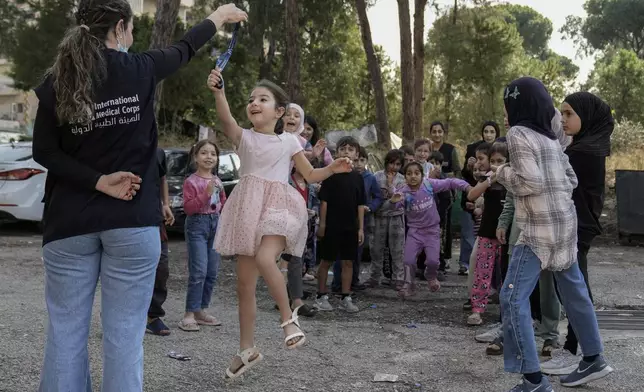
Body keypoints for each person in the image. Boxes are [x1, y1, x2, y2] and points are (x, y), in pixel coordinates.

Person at [32, 1, 247, 390]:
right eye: (131, 29)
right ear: (120, 27)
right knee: (125, 337)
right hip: (132, 223)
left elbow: (44, 153)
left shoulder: (56, 81)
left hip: (68, 224)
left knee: (65, 335)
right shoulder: (140, 68)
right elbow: (185, 47)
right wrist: (218, 17)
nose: (132, 37)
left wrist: (97, 180)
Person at [206, 71, 352, 378]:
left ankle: (289, 318)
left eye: (263, 99)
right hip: (247, 211)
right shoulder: (243, 137)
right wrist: (220, 93)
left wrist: (333, 169)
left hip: (278, 207)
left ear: (279, 112)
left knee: (264, 257)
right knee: (244, 286)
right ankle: (246, 350)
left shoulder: (290, 141)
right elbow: (226, 121)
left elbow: (310, 175)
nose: (254, 103)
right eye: (250, 100)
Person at [495, 77, 613, 391]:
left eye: (509, 106)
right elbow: (571, 179)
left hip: (537, 231)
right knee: (574, 292)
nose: (507, 114)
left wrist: (500, 172)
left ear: (518, 105)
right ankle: (594, 357)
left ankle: (533, 378)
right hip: (565, 226)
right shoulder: (551, 138)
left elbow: (527, 183)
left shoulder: (519, 134)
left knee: (512, 297)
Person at [540, 92, 615, 376]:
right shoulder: (591, 146)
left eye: (569, 113)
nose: (563, 119)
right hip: (580, 226)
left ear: (586, 115)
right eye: (562, 113)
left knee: (574, 289)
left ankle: (577, 352)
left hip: (575, 228)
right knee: (573, 287)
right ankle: (577, 351)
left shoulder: (579, 152)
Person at [387, 162, 471, 296]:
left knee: (433, 261)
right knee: (408, 260)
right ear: (405, 177)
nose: (413, 177)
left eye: (416, 173)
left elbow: (449, 182)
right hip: (414, 232)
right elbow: (393, 208)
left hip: (432, 231)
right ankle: (409, 284)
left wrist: (466, 187)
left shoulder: (428, 184)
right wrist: (393, 201)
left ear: (421, 174)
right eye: (409, 174)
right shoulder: (403, 191)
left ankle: (431, 276)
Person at [314, 136, 366, 313]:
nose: (346, 152)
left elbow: (360, 204)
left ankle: (346, 296)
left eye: (351, 149)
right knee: (326, 260)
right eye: (343, 149)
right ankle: (321, 295)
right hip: (331, 226)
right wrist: (322, 225)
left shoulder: (358, 178)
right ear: (336, 153)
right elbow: (324, 202)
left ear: (357, 154)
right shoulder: (330, 174)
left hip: (350, 227)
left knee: (348, 263)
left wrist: (360, 228)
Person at [179, 140, 226, 331]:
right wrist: (206, 194)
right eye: (204, 153)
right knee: (198, 271)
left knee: (212, 272)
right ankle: (189, 314)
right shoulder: (191, 181)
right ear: (196, 157)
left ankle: (201, 311)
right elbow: (189, 208)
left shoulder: (217, 180)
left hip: (215, 224)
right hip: (197, 225)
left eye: (213, 154)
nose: (209, 157)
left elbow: (223, 202)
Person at [465, 142, 508, 326]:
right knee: (482, 272)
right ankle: (477, 309)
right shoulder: (487, 178)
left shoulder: (512, 179)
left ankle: (507, 311)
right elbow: (471, 196)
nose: (496, 164)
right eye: (493, 161)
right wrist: (490, 180)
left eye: (500, 161)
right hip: (487, 233)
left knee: (507, 274)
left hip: (507, 234)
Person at [331, 146, 382, 292]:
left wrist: (370, 207)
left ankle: (353, 282)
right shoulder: (345, 175)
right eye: (357, 160)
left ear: (366, 161)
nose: (359, 163)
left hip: (361, 221)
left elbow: (378, 197)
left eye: (362, 160)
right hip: (343, 219)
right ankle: (337, 284)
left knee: (356, 254)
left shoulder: (370, 178)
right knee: (339, 254)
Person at [459, 121, 501, 275]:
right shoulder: (473, 148)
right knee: (476, 250)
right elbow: (468, 181)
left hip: (496, 220)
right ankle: (477, 293)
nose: (488, 134)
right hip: (481, 214)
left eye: (492, 131)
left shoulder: (501, 150)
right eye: (486, 131)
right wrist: (472, 168)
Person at [146, 148, 175, 336]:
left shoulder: (158, 152)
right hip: (127, 219)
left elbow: (162, 178)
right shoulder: (122, 145)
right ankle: (117, 316)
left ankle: (153, 316)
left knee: (161, 268)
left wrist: (165, 204)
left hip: (155, 218)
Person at [367, 149, 406, 288]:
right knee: (376, 249)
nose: (394, 167)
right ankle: (374, 277)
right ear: (386, 163)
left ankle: (398, 278)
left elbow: (400, 201)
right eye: (391, 163)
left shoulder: (402, 179)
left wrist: (391, 187)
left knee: (397, 250)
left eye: (397, 164)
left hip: (396, 218)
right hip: (379, 218)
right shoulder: (376, 177)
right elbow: (374, 199)